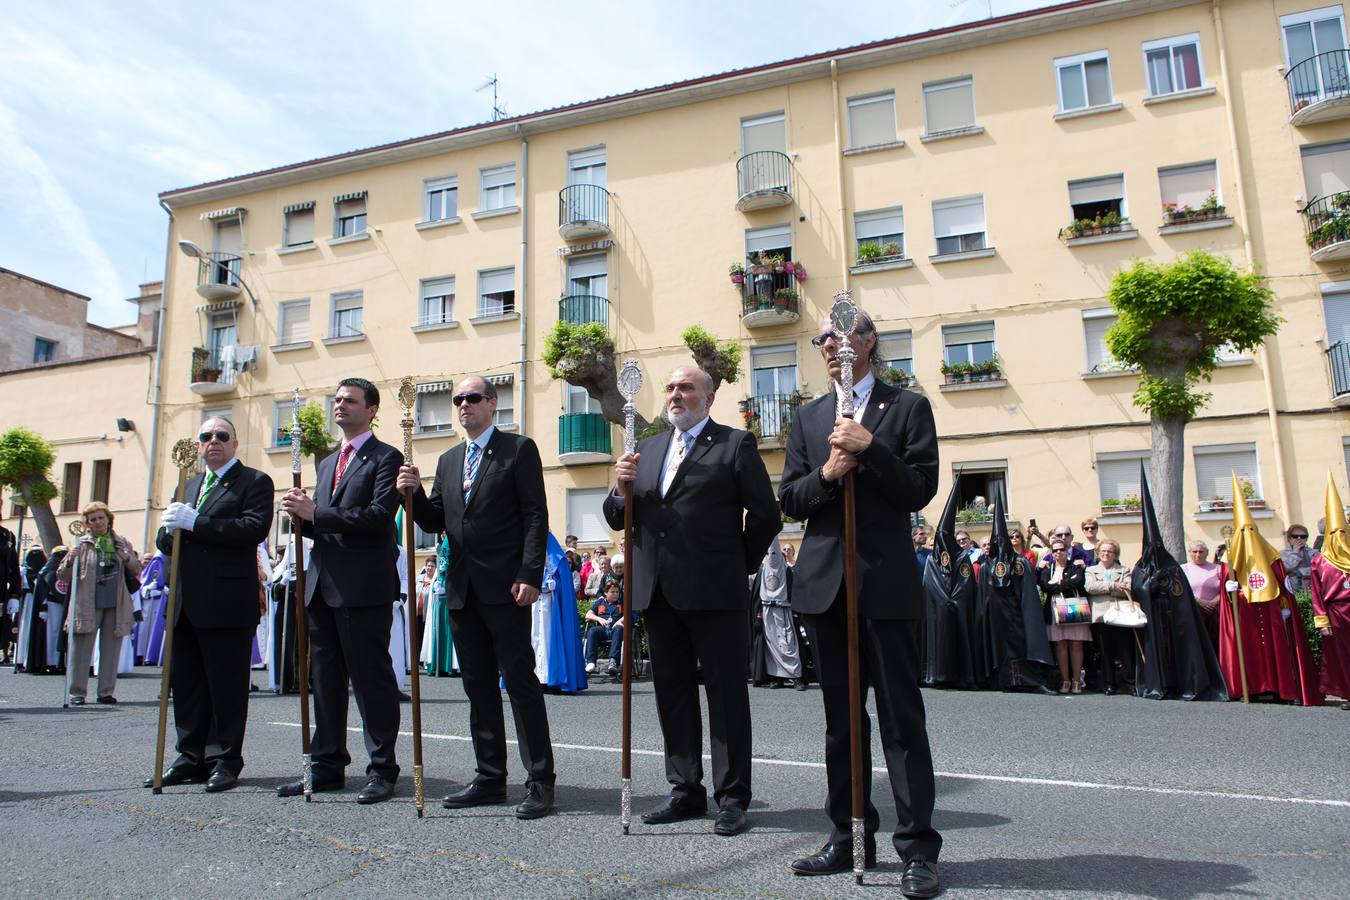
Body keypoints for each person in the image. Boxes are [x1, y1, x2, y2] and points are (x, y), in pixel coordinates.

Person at [779, 310, 942, 897]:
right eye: (823, 337)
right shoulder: (809, 416)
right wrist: (827, 471)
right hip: (827, 587)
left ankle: (917, 847)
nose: (829, 345)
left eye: (841, 335)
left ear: (868, 341)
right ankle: (849, 836)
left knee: (901, 721)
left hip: (885, 583)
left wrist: (870, 448)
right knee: (841, 724)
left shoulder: (907, 408)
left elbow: (920, 488)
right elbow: (791, 499)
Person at [603, 365, 778, 838]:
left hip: (715, 591)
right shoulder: (649, 447)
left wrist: (736, 561)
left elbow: (765, 514)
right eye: (672, 387)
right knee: (672, 695)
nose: (676, 394)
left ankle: (732, 796)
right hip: (658, 591)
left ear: (709, 396)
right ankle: (685, 788)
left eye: (686, 387)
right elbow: (619, 518)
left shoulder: (733, 444)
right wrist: (619, 488)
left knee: (725, 697)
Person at [400, 375, 556, 820]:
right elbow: (436, 521)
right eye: (458, 400)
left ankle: (540, 780)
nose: (463, 405)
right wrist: (409, 496)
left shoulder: (518, 450)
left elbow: (534, 515)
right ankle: (490, 776)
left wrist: (530, 572)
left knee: (521, 684)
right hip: (462, 589)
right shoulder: (449, 460)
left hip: (507, 586)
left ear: (492, 404)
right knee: (477, 687)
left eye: (472, 398)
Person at [277, 378, 404, 805]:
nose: (340, 406)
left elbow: (378, 517)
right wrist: (302, 518)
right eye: (336, 400)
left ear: (371, 410)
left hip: (363, 586)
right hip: (322, 585)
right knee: (324, 681)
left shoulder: (387, 457)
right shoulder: (329, 463)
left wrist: (320, 514)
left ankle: (382, 769)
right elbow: (324, 521)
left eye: (350, 400)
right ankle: (327, 764)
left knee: (371, 680)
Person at [148, 416, 274, 792]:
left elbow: (253, 528)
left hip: (226, 600)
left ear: (235, 444)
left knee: (225, 685)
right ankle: (190, 756)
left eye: (222, 436)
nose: (213, 442)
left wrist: (197, 523)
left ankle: (224, 759)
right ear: (199, 445)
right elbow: (173, 540)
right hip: (187, 599)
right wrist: (167, 530)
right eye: (206, 437)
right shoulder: (190, 483)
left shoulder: (253, 481)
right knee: (186, 684)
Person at [1132, 467, 1227, 702]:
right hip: (1154, 621)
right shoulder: (1141, 567)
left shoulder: (1173, 567)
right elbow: (1138, 590)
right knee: (1158, 654)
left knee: (1177, 653)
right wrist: (1151, 583)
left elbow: (1180, 592)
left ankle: (1180, 683)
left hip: (1173, 619)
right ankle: (1159, 685)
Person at [57, 502, 141, 705]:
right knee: (81, 650)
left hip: (116, 602)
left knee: (111, 650)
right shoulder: (82, 544)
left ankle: (106, 692)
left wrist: (126, 557)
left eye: (101, 517)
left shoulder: (122, 542)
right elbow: (63, 575)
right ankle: (77, 692)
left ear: (108, 518)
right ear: (87, 523)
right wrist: (70, 559)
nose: (98, 522)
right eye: (93, 519)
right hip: (87, 603)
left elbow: (137, 569)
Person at [921, 480, 979, 689]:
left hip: (957, 610)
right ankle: (936, 675)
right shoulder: (931, 559)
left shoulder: (962, 557)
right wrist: (942, 600)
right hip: (937, 610)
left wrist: (953, 600)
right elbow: (929, 583)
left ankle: (963, 676)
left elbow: (965, 583)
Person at [1309, 474, 1350, 708]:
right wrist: (1322, 620)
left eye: (1342, 533)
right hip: (1337, 613)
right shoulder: (1321, 561)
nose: (1339, 538)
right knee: (1342, 657)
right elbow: (1316, 592)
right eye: (1334, 534)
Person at [534, 533, 587, 693]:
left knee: (549, 639)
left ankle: (553, 678)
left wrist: (553, 585)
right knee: (535, 638)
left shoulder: (559, 560)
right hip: (533, 605)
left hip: (551, 607)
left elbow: (563, 583)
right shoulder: (529, 552)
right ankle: (536, 677)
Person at [750, 541, 807, 690]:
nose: (772, 556)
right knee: (770, 646)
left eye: (774, 553)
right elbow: (757, 594)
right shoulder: (762, 569)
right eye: (769, 554)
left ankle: (796, 677)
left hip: (784, 610)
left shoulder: (786, 569)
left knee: (788, 644)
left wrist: (795, 611)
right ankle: (776, 678)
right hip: (767, 611)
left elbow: (794, 590)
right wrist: (758, 615)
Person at [1040, 540, 1090, 694]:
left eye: (1061, 549)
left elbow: (1079, 582)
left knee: (1076, 645)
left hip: (1074, 609)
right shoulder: (1048, 569)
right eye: (1055, 550)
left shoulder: (1075, 566)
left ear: (1067, 550)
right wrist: (1067, 583)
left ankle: (1076, 681)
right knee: (1060, 646)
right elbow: (1045, 586)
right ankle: (1066, 680)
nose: (1058, 553)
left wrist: (1058, 583)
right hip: (1055, 611)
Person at [1085, 539, 1134, 695]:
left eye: (1110, 551)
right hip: (1100, 616)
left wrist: (1104, 588)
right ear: (1098, 554)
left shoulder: (1124, 570)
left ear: (1115, 554)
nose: (1106, 554)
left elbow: (1128, 588)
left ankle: (1130, 682)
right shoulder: (1090, 570)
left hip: (1120, 616)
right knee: (1105, 652)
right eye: (1103, 551)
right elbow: (1090, 587)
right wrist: (1113, 586)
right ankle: (1109, 683)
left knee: (1125, 651)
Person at [1181, 541, 1222, 650]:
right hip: (1193, 612)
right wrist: (1199, 602)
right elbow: (1181, 590)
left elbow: (1225, 590)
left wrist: (1213, 602)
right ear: (1189, 552)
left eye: (1201, 552)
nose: (1198, 555)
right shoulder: (1182, 569)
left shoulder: (1218, 569)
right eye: (1195, 552)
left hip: (1215, 614)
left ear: (1207, 552)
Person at [583, 581, 625, 676]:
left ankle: (613, 662)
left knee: (619, 628)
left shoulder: (622, 602)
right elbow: (588, 614)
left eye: (617, 592)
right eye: (612, 592)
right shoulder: (600, 602)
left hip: (616, 630)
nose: (615, 594)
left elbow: (629, 615)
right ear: (606, 592)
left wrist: (619, 622)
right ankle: (591, 662)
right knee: (592, 631)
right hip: (602, 630)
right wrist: (599, 619)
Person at [1281, 524, 1315, 595]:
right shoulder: (1283, 555)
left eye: (1303, 537)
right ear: (1289, 539)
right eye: (1295, 536)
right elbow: (1287, 569)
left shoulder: (1314, 553)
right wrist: (1295, 552)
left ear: (1306, 539)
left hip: (1311, 592)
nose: (1299, 538)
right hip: (1292, 593)